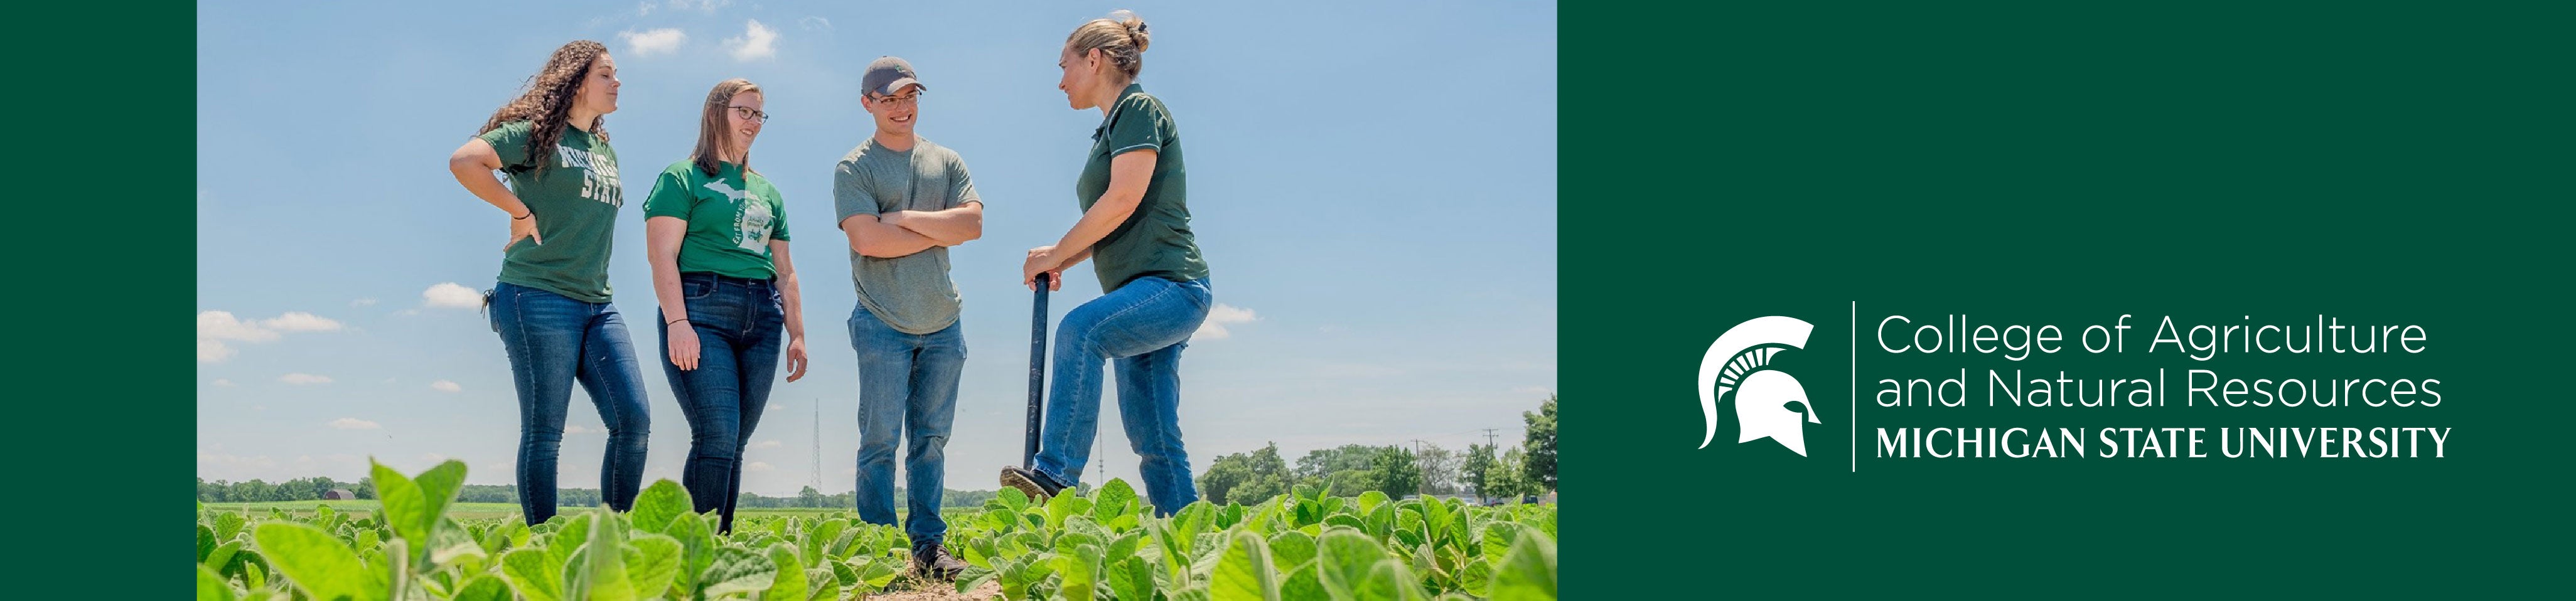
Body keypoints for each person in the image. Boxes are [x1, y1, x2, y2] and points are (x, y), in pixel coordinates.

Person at [998, 11, 1213, 518]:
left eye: (1065, 65)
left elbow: (1121, 200)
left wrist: (1055, 253)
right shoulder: (1112, 127)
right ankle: (1189, 542)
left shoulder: (1139, 109)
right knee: (1153, 435)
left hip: (1173, 286)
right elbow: (1115, 221)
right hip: (1140, 292)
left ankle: (1054, 475)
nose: (1060, 80)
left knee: (1081, 331)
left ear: (1093, 60)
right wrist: (1063, 259)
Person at [444, 40, 649, 525]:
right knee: (545, 432)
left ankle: (612, 543)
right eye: (606, 74)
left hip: (597, 304)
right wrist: (519, 211)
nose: (617, 82)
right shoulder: (533, 136)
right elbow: (464, 161)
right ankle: (542, 549)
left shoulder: (603, 147)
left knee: (634, 420)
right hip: (536, 296)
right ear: (576, 81)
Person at [834, 56, 983, 578]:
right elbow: (867, 240)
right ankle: (876, 554)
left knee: (931, 441)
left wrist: (903, 218)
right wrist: (938, 229)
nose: (902, 107)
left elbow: (973, 225)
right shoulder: (855, 168)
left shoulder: (946, 160)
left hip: (944, 321)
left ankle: (928, 549)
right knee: (879, 441)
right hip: (881, 321)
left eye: (910, 96)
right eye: (889, 98)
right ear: (868, 103)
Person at [641, 78, 807, 534]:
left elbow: (786, 271)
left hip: (763, 316)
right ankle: (695, 555)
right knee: (715, 434)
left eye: (759, 114)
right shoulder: (682, 177)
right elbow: (661, 256)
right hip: (701, 309)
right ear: (717, 111)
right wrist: (678, 322)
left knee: (735, 442)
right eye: (744, 111)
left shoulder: (768, 192)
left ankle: (720, 550)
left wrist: (798, 334)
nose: (754, 122)